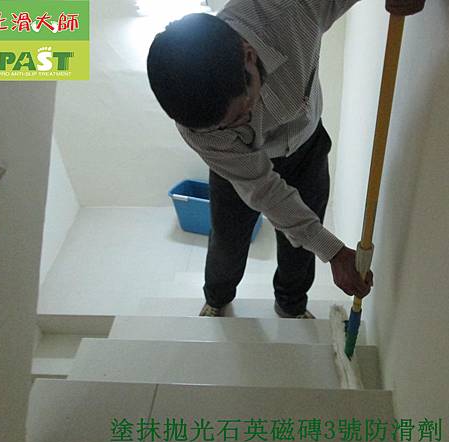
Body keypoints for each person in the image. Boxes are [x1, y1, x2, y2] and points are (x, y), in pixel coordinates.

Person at [146, 0, 425, 318]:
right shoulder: (199, 130)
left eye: (239, 116)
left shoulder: (291, 10)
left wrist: (329, 251)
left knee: (300, 245)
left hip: (307, 147)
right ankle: (217, 299)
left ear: (248, 57)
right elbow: (264, 190)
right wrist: (335, 252)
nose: (237, 129)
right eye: (221, 128)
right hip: (239, 170)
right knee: (227, 241)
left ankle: (291, 307)